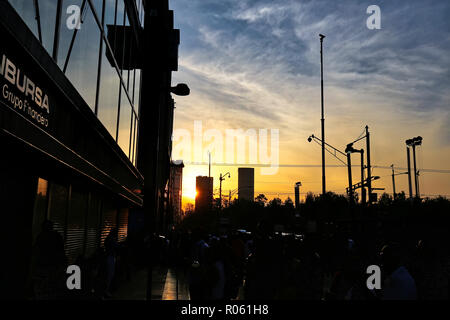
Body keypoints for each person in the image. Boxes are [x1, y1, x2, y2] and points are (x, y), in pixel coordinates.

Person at [32, 220, 67, 299]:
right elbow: (61, 251)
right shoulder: (56, 236)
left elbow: (36, 251)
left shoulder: (41, 237)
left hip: (44, 267)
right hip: (53, 268)